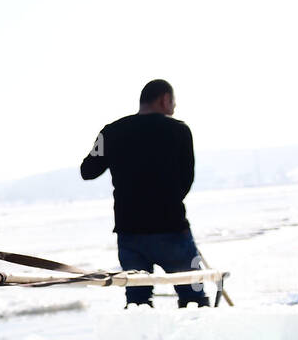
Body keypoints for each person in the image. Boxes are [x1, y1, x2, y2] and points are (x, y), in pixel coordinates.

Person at [79, 79, 208, 308]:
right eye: (174, 101)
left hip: (131, 236)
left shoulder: (111, 132)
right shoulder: (179, 131)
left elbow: (87, 170)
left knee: (138, 304)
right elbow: (186, 181)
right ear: (164, 99)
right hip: (173, 231)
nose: (175, 107)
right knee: (194, 300)